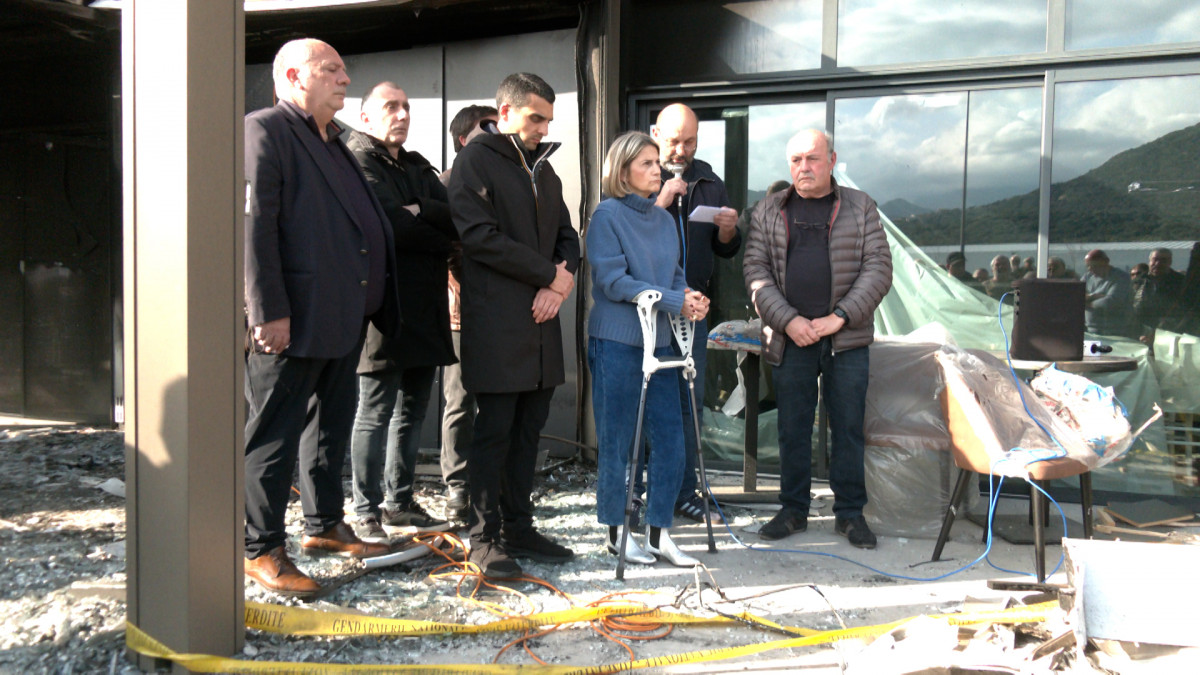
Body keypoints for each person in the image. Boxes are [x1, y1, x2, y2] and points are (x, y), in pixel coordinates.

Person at [242, 39, 394, 596]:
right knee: (272, 435)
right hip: (292, 319)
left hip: (342, 316)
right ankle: (260, 548)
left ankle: (324, 525)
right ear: (292, 75)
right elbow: (256, 228)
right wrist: (269, 311)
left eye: (344, 71)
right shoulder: (266, 129)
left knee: (329, 426)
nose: (344, 79)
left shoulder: (335, 143)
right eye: (331, 70)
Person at [447, 72, 581, 579]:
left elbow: (568, 236)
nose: (543, 128)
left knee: (529, 431)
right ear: (504, 114)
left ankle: (518, 526)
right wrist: (549, 276)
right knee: (494, 432)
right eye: (535, 118)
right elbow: (479, 237)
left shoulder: (544, 172)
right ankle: (483, 538)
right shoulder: (474, 161)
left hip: (543, 329)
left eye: (548, 119)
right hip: (501, 324)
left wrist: (560, 282)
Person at [743, 129, 892, 549]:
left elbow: (879, 268)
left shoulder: (861, 207)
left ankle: (850, 514)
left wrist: (839, 317)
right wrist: (789, 321)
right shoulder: (770, 209)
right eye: (795, 161)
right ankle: (793, 510)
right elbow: (755, 272)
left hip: (846, 338)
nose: (803, 168)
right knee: (792, 427)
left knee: (847, 428)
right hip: (791, 339)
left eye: (811, 158)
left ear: (832, 160)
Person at [588, 131, 711, 567]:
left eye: (657, 162)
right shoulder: (606, 216)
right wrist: (674, 298)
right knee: (619, 444)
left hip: (662, 343)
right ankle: (616, 533)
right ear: (622, 171)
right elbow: (612, 281)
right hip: (618, 343)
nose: (657, 170)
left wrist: (689, 296)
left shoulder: (663, 219)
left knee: (671, 442)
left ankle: (659, 534)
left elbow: (674, 276)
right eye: (646, 163)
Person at [346, 82, 456, 541]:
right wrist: (424, 225)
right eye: (391, 106)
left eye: (407, 107)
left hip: (424, 308)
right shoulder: (357, 158)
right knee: (375, 410)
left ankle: (400, 502)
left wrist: (422, 210)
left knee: (412, 410)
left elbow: (453, 220)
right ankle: (365, 510)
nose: (402, 114)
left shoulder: (416, 165)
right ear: (367, 117)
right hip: (384, 310)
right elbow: (389, 226)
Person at [649, 103, 741, 523]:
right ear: (655, 133)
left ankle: (685, 491)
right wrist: (661, 200)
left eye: (689, 142)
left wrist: (726, 230)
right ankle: (642, 494)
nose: (680, 150)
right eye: (673, 141)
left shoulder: (708, 179)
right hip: (648, 310)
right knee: (648, 401)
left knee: (690, 401)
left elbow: (724, 250)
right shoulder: (639, 172)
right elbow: (620, 234)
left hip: (694, 310)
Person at [438, 104, 499, 525]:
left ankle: (489, 487)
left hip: (502, 313)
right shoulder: (445, 183)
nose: (497, 135)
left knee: (498, 401)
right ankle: (457, 487)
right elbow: (450, 249)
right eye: (486, 129)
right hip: (462, 311)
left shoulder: (505, 177)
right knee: (459, 401)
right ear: (463, 139)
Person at [1133, 248, 1186, 344]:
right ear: (1149, 261)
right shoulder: (1138, 282)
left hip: (1170, 337)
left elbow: (1184, 314)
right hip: (1139, 335)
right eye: (1155, 259)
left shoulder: (1181, 283)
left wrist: (1158, 334)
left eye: (1163, 260)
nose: (1158, 263)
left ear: (1170, 262)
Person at [1082, 249, 1133, 338]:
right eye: (1088, 266)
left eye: (1094, 265)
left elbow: (1111, 301)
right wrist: (1095, 296)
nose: (1090, 269)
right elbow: (1075, 297)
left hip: (1116, 331)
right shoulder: (1087, 277)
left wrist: (1087, 303)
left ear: (1106, 262)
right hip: (1090, 330)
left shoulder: (1121, 277)